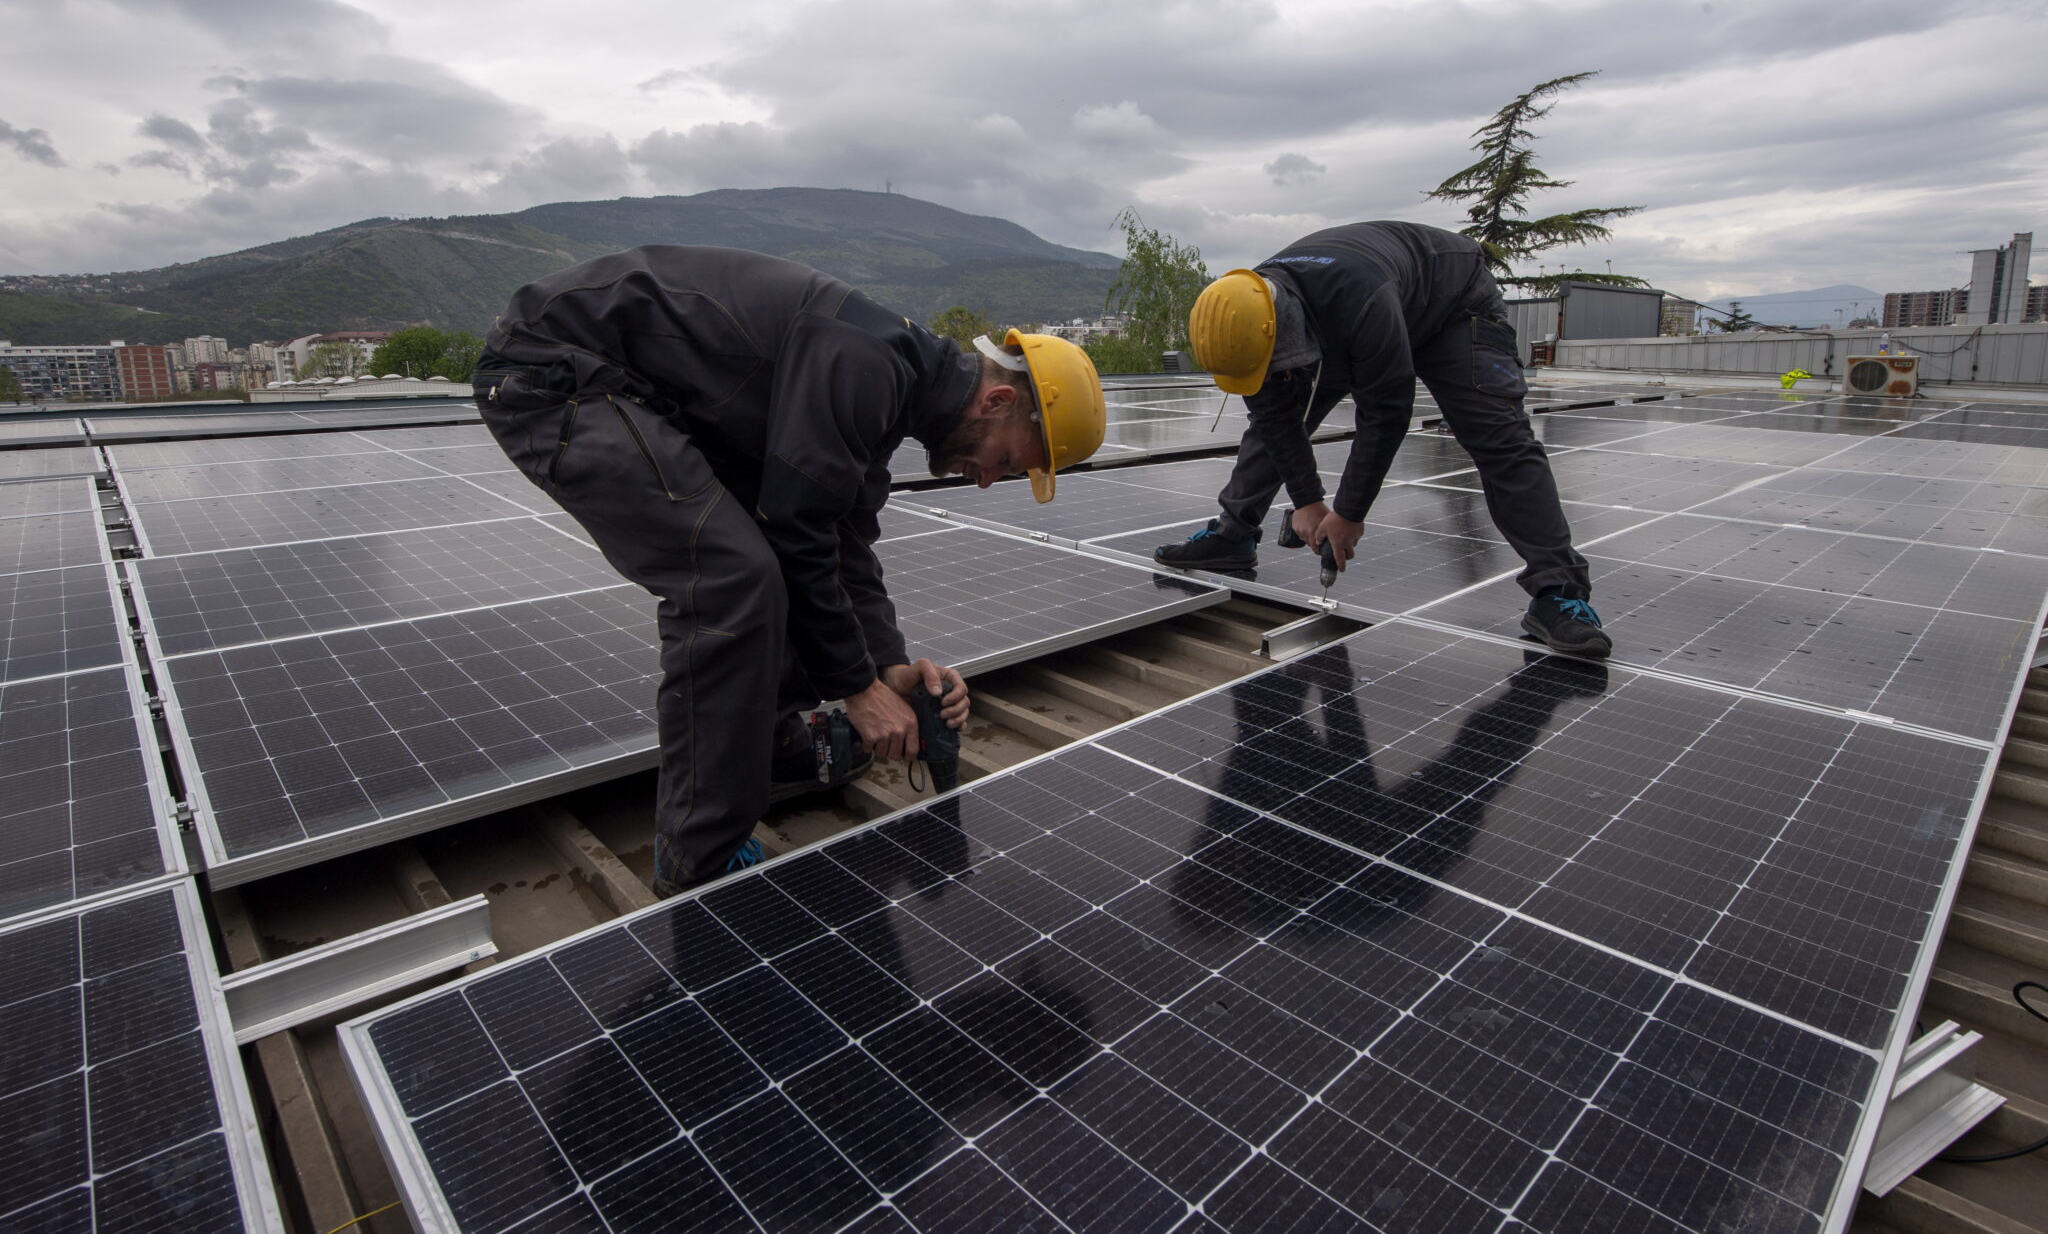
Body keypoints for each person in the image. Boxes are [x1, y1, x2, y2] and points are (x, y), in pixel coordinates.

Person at [473, 246, 1106, 894]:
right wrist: (859, 690)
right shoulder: (864, 363)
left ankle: (767, 747)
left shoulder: (893, 382)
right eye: (1006, 461)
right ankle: (700, 855)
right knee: (730, 577)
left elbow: (843, 539)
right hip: (559, 372)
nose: (987, 480)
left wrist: (891, 664)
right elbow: (799, 532)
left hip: (638, 393)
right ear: (998, 400)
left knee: (783, 563)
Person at [1154, 221, 1610, 658]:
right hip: (1361, 303)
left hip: (1453, 302)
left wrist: (1349, 514)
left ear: (1282, 332)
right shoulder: (1246, 317)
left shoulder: (1357, 305)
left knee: (1500, 439)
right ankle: (1232, 537)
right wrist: (1309, 502)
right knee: (1270, 425)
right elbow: (1275, 418)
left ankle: (1558, 591)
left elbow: (1386, 413)